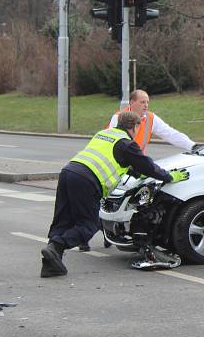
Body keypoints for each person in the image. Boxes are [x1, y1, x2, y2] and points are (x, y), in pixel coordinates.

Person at [40, 111, 190, 278]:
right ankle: (57, 247)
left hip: (68, 172)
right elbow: (147, 166)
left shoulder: (103, 134)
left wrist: (136, 172)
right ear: (135, 127)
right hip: (87, 180)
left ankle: (50, 263)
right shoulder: (127, 144)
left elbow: (119, 161)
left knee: (63, 219)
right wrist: (169, 176)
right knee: (89, 223)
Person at [107, 89, 197, 154]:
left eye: (147, 102)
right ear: (131, 102)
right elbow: (111, 144)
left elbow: (170, 134)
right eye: (142, 102)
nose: (146, 105)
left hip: (137, 161)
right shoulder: (118, 117)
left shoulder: (150, 118)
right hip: (119, 162)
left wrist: (192, 146)